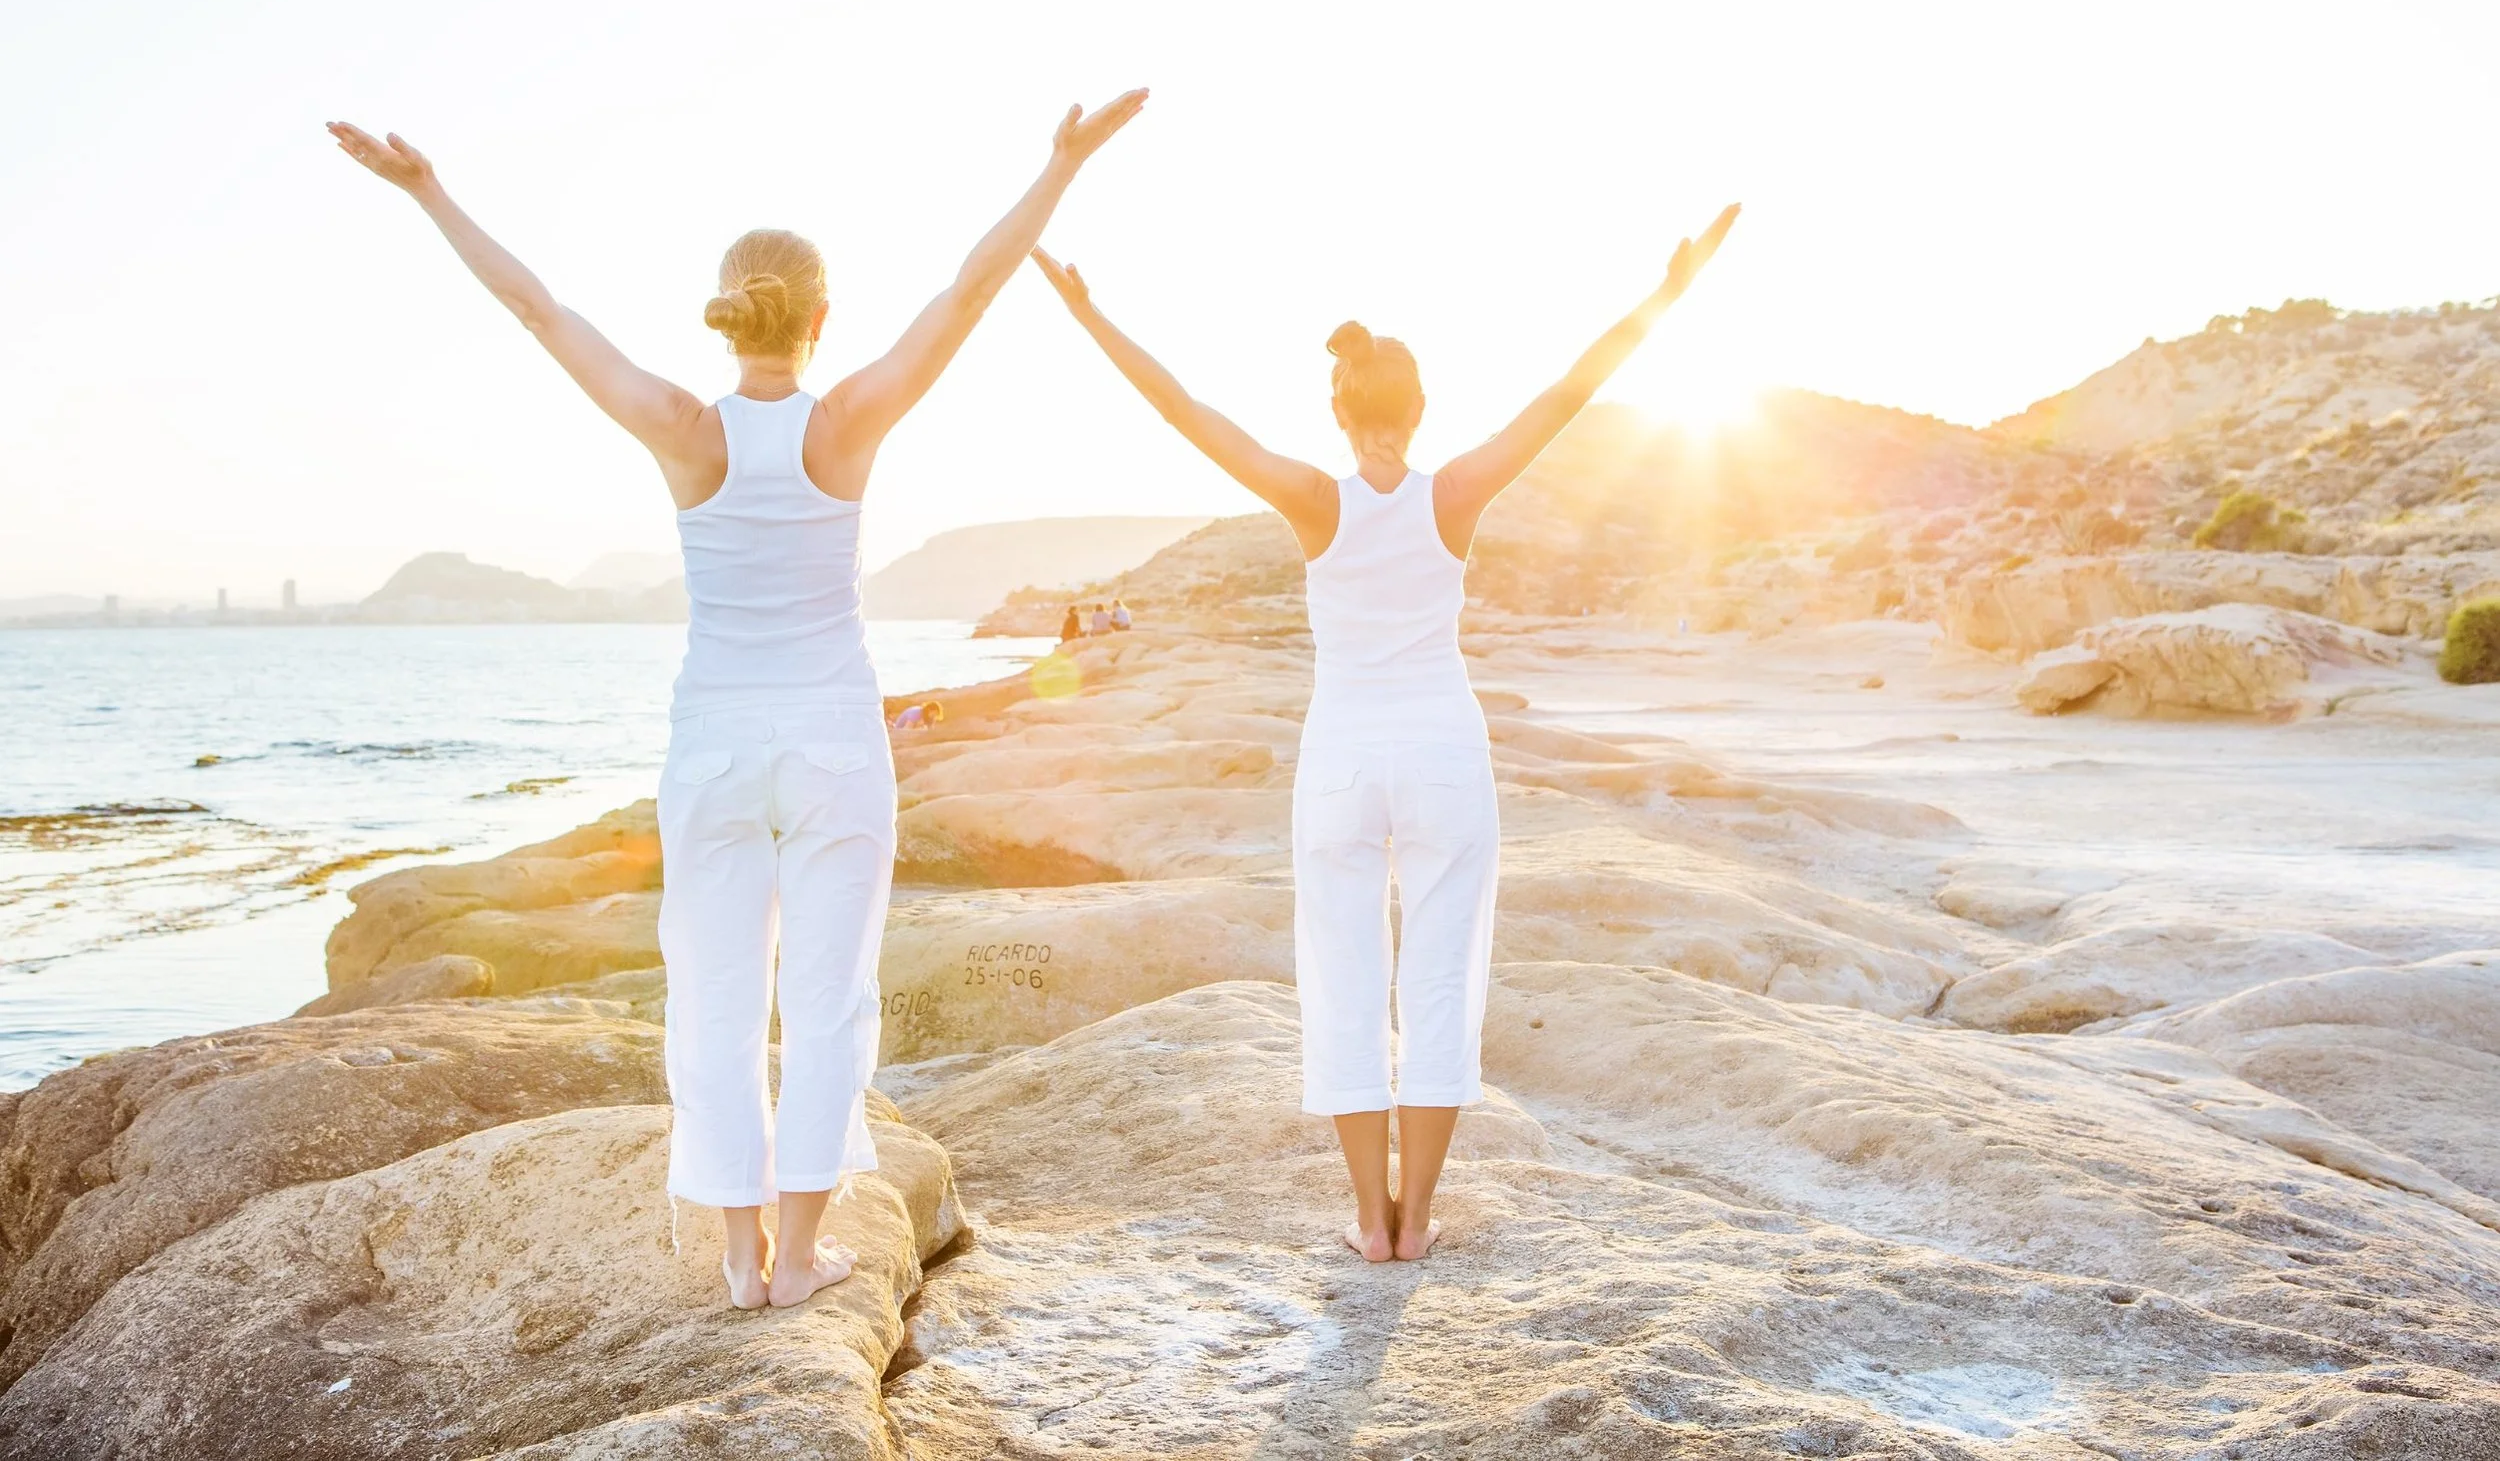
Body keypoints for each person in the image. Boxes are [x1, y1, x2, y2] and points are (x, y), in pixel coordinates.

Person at [328, 87, 1147, 1309]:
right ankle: (804, 1249)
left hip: (712, 743)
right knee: (829, 995)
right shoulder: (850, 418)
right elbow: (971, 289)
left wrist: (428, 189)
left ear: (726, 318)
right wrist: (1061, 165)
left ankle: (736, 1259)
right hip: (829, 738)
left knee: (711, 998)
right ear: (822, 317)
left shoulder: (679, 425)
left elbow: (535, 309)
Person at [1028, 202, 1737, 1262]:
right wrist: (1666, 292)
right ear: (1419, 407)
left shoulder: (1314, 499)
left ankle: (1368, 1217)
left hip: (1344, 758)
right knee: (1440, 975)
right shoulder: (1453, 493)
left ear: (1339, 409)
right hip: (1444, 749)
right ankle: (1419, 1213)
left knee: (1345, 973)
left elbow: (1185, 409)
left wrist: (1089, 312)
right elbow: (1567, 394)